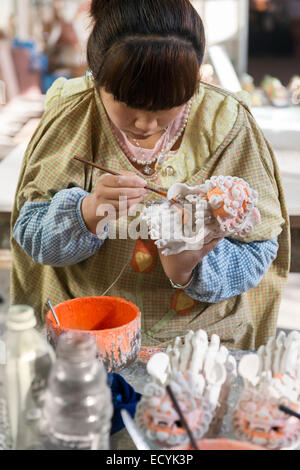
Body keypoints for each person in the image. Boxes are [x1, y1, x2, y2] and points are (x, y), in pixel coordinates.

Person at [11, 0, 289, 350]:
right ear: (98, 77)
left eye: (165, 106)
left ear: (193, 82)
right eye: (128, 103)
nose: (145, 124)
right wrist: (89, 211)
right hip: (85, 336)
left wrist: (189, 265)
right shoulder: (73, 117)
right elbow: (28, 231)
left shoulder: (224, 125)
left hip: (200, 345)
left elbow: (261, 246)